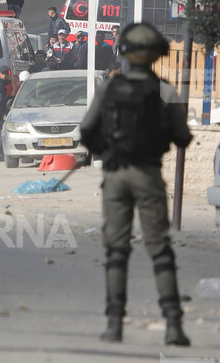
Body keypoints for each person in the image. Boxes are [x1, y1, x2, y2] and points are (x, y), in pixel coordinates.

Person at [79, 23, 193, 346]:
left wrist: (109, 150)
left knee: (117, 251)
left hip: (114, 176)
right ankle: (173, 326)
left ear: (125, 53)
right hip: (148, 175)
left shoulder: (108, 89)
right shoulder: (166, 90)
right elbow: (182, 137)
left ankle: (114, 325)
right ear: (156, 55)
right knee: (159, 250)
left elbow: (86, 131)